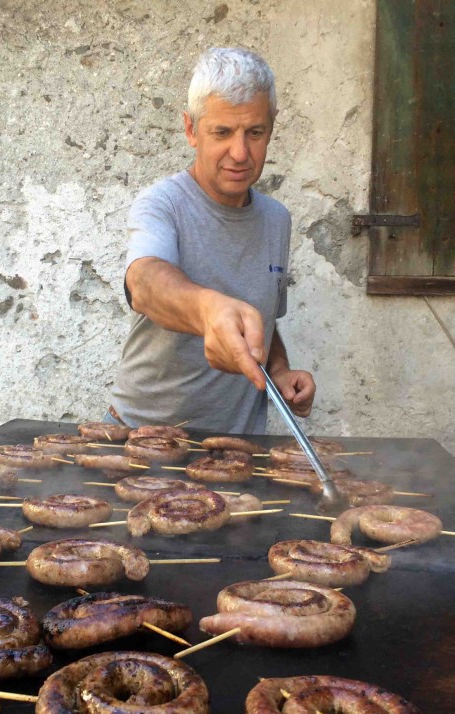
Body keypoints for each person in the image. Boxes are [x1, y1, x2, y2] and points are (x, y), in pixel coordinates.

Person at [108, 47, 316, 434]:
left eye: (255, 133)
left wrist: (281, 371)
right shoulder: (163, 204)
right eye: (222, 132)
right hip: (144, 440)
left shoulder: (276, 220)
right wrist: (208, 310)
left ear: (271, 129)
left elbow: (263, 320)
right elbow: (145, 284)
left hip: (238, 449)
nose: (240, 153)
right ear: (191, 130)